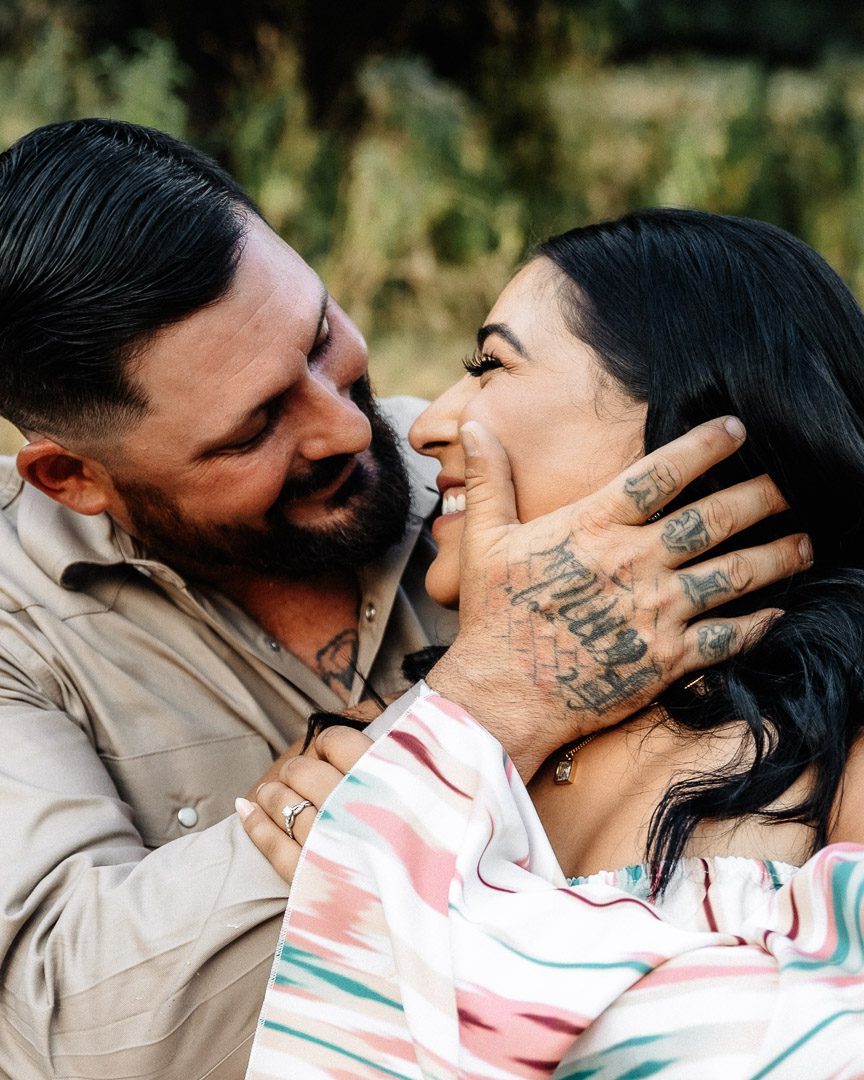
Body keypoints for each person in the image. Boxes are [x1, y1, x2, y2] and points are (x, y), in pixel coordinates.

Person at [0, 121, 794, 1078]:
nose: (350, 428)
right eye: (255, 427)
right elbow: (72, 1031)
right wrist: (477, 717)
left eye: (320, 338)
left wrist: (354, 810)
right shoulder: (15, 621)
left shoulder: (519, 482)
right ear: (73, 477)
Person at [241, 210, 864, 1077]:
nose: (427, 425)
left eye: (489, 365)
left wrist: (395, 869)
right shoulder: (390, 750)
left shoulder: (838, 758)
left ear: (685, 411)